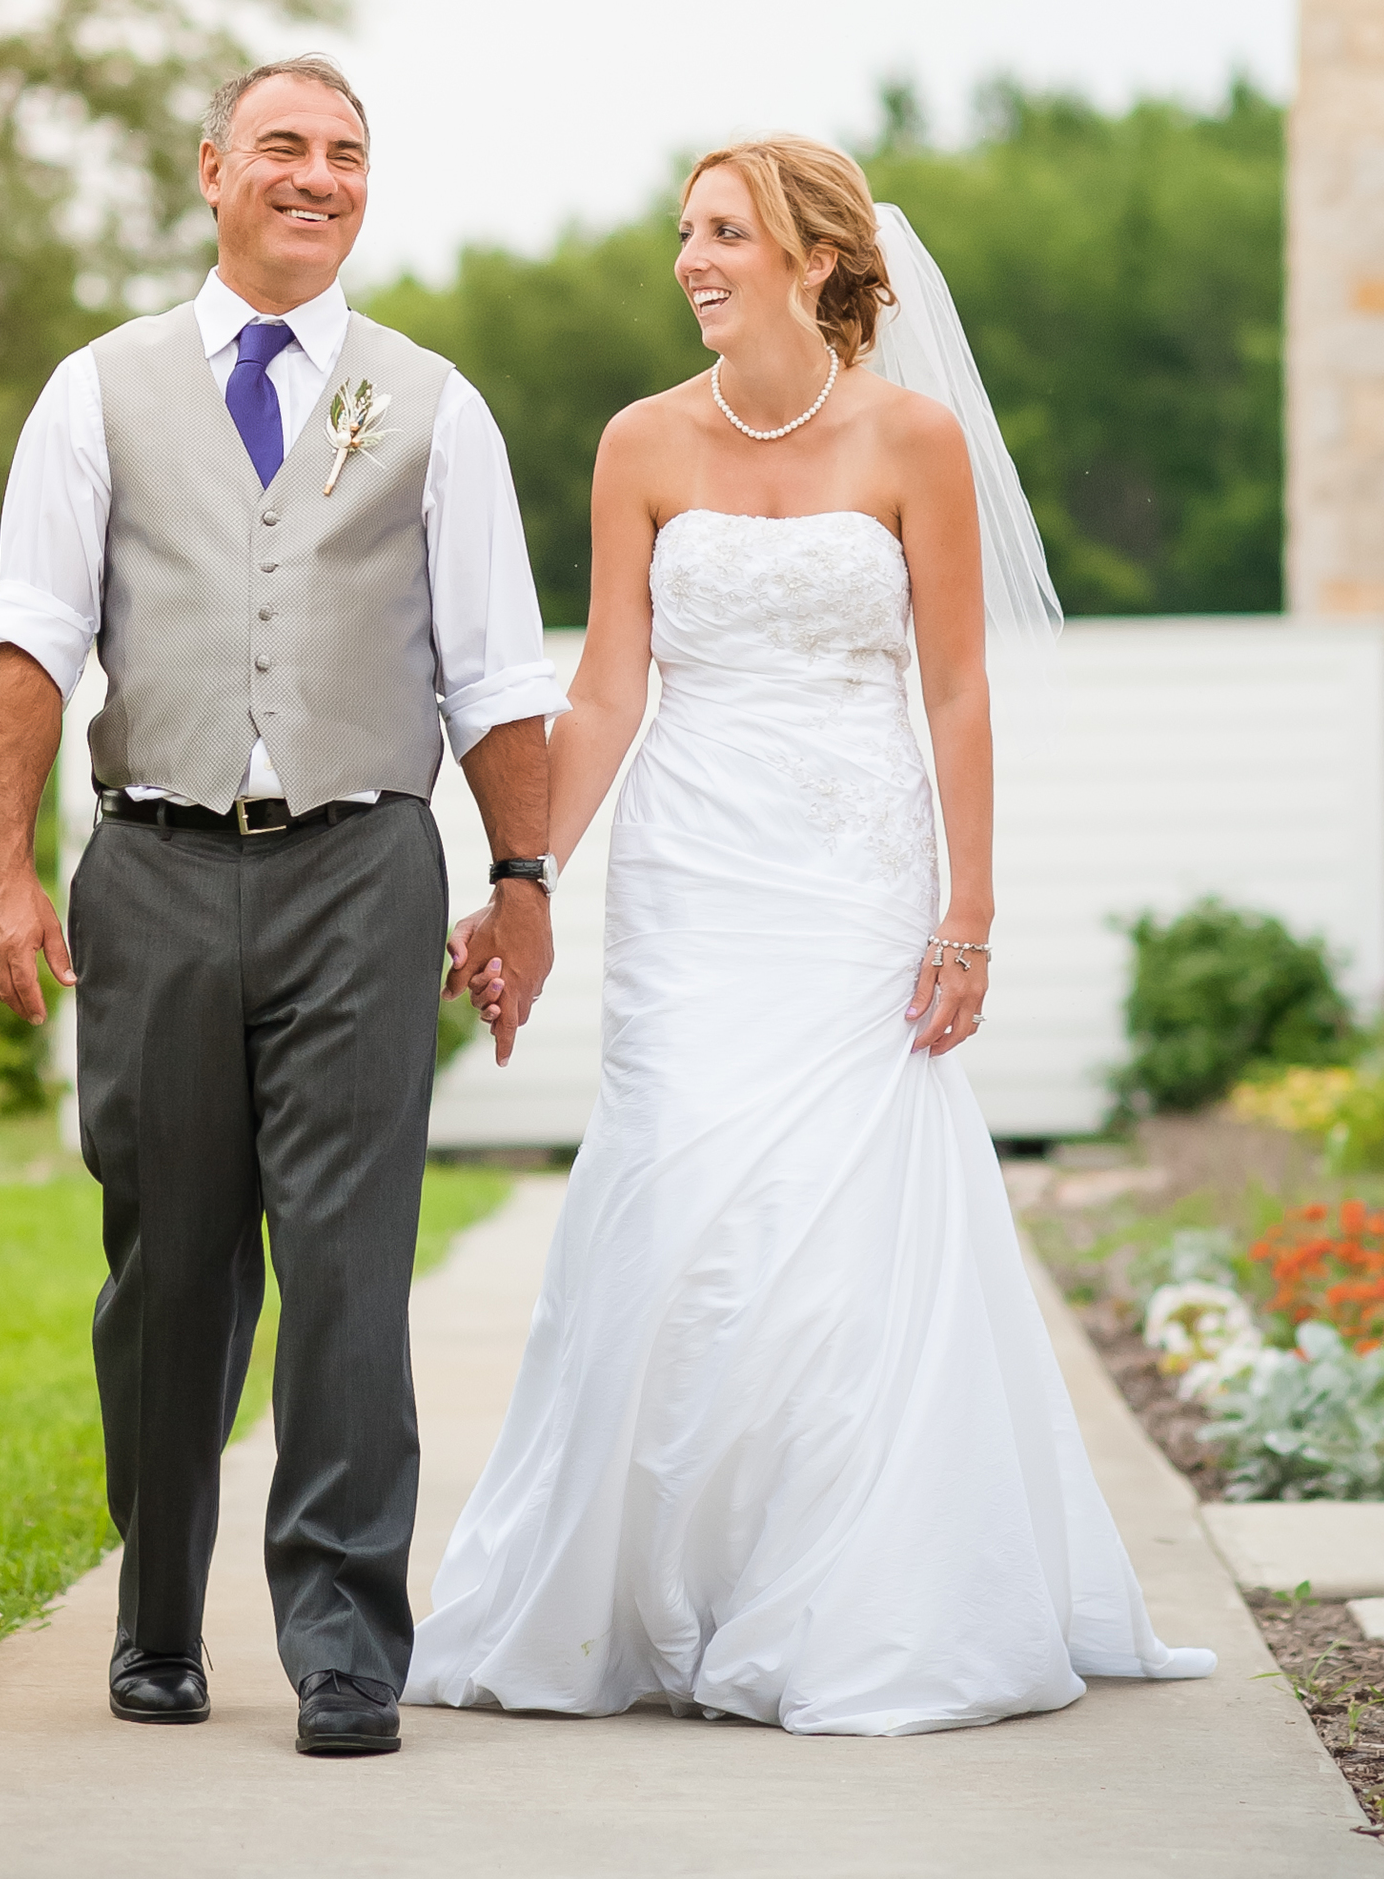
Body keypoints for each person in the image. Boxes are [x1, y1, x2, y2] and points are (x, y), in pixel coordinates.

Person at [407, 134, 1214, 1735]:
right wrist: (524, 874)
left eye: (726, 231)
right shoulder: (640, 442)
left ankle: (845, 1590)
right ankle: (647, 1594)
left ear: (818, 260)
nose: (692, 259)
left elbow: (957, 687)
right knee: (678, 1196)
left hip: (856, 874)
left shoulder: (915, 441)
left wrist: (968, 907)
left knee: (840, 1223)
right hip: (693, 876)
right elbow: (609, 689)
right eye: (687, 231)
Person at [0, 57, 560, 1757]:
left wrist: (517, 883)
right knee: (168, 1258)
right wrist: (6, 872)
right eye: (285, 147)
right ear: (213, 168)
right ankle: (157, 1619)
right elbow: (28, 636)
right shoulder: (97, 391)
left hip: (362, 863)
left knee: (351, 1262)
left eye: (348, 154)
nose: (318, 175)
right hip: (150, 866)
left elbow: (498, 669)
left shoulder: (434, 404)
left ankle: (344, 1643)